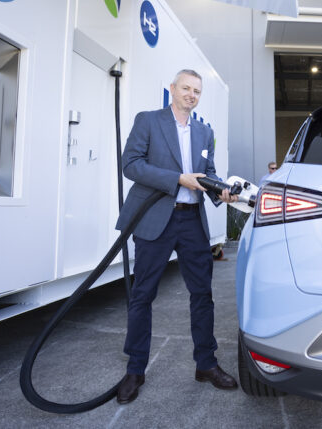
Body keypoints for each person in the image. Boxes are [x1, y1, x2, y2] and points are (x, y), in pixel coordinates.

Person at [114, 69, 239, 404]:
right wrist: (177, 179)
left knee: (202, 294)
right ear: (172, 89)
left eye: (196, 91)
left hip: (191, 222)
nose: (191, 95)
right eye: (185, 88)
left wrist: (221, 192)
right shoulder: (149, 121)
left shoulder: (204, 131)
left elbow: (207, 173)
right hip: (155, 219)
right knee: (143, 295)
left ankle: (206, 364)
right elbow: (131, 165)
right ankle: (136, 369)